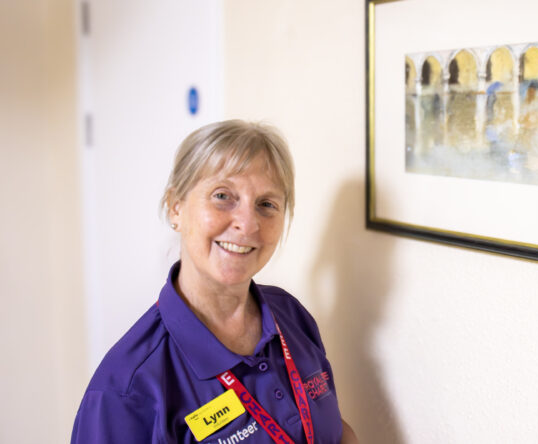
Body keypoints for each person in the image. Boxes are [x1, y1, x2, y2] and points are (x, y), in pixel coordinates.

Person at [72, 120, 359, 443]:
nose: (248, 224)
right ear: (175, 207)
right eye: (223, 196)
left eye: (266, 204)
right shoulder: (125, 388)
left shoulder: (290, 316)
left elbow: (333, 430)